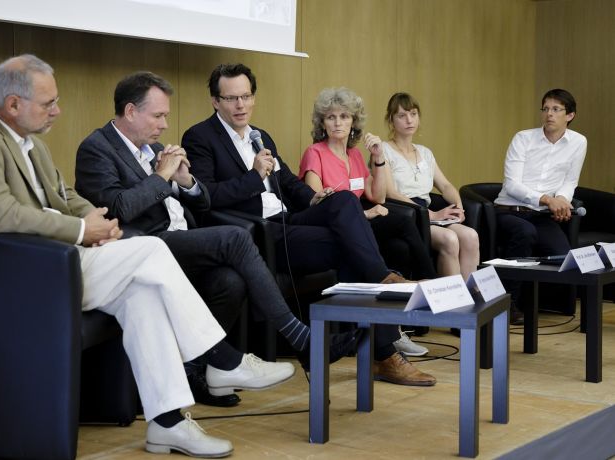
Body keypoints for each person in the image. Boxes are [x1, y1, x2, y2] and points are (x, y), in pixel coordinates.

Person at [0, 54, 297, 459]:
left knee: (142, 296)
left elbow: (64, 196)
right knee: (149, 247)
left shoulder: (31, 144)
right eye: (48, 103)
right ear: (12, 105)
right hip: (30, 274)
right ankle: (222, 357)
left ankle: (168, 424)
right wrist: (81, 230)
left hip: (60, 260)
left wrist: (93, 218)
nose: (58, 110)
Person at [74, 71, 361, 397]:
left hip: (181, 238)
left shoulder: (153, 149)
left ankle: (200, 374)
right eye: (158, 115)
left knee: (229, 281)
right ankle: (300, 338)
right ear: (130, 112)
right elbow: (119, 208)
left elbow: (203, 200)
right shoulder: (97, 149)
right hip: (145, 244)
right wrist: (161, 176)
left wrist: (186, 182)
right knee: (236, 237)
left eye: (165, 115)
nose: (165, 124)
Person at [182, 63, 436, 386]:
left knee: (344, 201)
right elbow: (206, 198)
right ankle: (383, 349)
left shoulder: (260, 136)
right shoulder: (200, 137)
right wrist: (252, 177)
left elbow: (288, 181)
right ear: (216, 101)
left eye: (246, 96)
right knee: (349, 247)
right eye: (231, 98)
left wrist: (315, 199)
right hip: (255, 232)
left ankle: (380, 294)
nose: (240, 105)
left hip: (288, 219)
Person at [298, 87, 436, 357]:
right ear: (322, 123)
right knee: (403, 225)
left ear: (354, 122)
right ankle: (429, 284)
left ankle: (396, 329)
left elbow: (378, 195)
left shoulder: (355, 155)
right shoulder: (314, 152)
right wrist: (366, 214)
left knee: (403, 242)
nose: (338, 123)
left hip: (362, 225)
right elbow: (319, 203)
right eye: (331, 117)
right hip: (332, 228)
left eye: (344, 117)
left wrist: (378, 158)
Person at [494, 88, 587, 324]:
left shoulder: (578, 142)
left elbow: (570, 181)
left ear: (570, 115)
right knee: (525, 233)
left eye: (556, 109)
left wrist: (563, 200)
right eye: (545, 108)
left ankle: (539, 305)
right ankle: (507, 303)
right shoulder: (523, 138)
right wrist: (548, 199)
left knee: (563, 255)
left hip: (542, 216)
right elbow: (512, 184)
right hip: (510, 210)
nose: (549, 114)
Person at [378, 92, 480, 284]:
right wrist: (431, 215)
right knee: (450, 239)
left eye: (413, 114)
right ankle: (451, 304)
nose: (409, 120)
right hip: (408, 215)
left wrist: (458, 206)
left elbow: (446, 185)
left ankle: (471, 300)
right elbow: (390, 193)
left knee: (470, 236)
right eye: (402, 115)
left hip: (428, 212)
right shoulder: (383, 150)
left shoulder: (425, 152)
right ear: (391, 121)